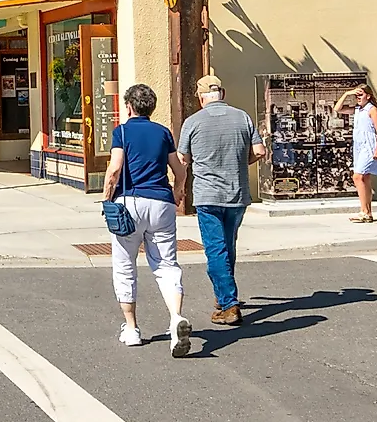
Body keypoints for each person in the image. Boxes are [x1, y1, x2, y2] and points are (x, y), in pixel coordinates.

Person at [102, 82, 191, 355]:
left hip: (130, 203)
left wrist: (107, 198)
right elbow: (180, 169)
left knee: (125, 264)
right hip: (161, 203)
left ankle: (131, 329)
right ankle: (176, 317)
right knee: (166, 263)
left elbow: (115, 169)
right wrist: (177, 193)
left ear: (129, 106)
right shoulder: (163, 133)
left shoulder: (122, 132)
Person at [179, 74, 265, 326]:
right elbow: (259, 151)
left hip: (208, 194)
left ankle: (228, 304)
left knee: (215, 248)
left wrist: (180, 188)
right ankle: (223, 294)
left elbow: (183, 159)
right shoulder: (242, 117)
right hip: (237, 193)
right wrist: (240, 162)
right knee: (228, 245)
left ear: (200, 98)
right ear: (222, 94)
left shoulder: (192, 122)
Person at [348, 87, 377, 223]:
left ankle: (364, 210)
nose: (358, 97)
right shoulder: (357, 110)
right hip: (359, 145)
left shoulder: (371, 109)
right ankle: (367, 212)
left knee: (357, 177)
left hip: (369, 145)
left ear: (368, 96)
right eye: (356, 95)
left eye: (361, 95)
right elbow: (337, 109)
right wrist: (348, 93)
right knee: (365, 178)